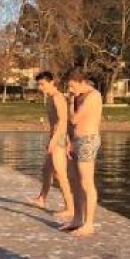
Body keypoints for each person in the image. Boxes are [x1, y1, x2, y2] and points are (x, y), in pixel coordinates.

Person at [61, 67, 103, 237]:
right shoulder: (79, 96)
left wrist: (70, 102)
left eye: (72, 86)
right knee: (76, 182)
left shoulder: (93, 96)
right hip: (77, 141)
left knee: (86, 182)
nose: (70, 90)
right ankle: (78, 218)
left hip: (88, 141)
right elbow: (73, 125)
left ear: (81, 82)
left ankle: (89, 223)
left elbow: (74, 118)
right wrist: (69, 142)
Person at [27, 71, 75, 221]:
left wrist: (56, 141)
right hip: (54, 138)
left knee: (60, 175)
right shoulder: (49, 98)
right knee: (47, 170)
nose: (40, 87)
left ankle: (70, 208)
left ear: (52, 82)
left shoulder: (57, 98)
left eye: (42, 84)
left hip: (59, 140)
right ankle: (42, 199)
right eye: (38, 84)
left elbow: (62, 121)